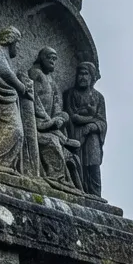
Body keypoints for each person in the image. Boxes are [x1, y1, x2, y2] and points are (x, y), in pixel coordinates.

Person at [0, 26, 34, 177]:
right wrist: (20, 86)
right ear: (11, 41)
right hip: (0, 97)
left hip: (7, 96)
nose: (17, 48)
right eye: (17, 43)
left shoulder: (2, 54)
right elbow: (4, 71)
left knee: (18, 132)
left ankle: (4, 164)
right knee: (14, 130)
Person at [28, 46, 78, 188]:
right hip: (36, 122)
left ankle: (64, 140)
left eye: (54, 59)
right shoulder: (35, 74)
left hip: (50, 124)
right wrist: (48, 121)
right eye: (49, 57)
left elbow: (57, 105)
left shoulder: (53, 83)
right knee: (52, 141)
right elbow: (34, 100)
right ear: (41, 58)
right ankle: (57, 178)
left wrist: (60, 117)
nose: (52, 61)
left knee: (67, 149)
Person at [65, 61, 107, 196]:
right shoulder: (70, 94)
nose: (82, 77)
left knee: (94, 165)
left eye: (86, 74)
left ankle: (95, 194)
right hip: (75, 134)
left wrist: (91, 126)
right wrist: (87, 120)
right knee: (77, 162)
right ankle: (78, 190)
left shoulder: (98, 97)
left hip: (93, 136)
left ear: (92, 77)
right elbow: (72, 116)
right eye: (80, 74)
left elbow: (102, 122)